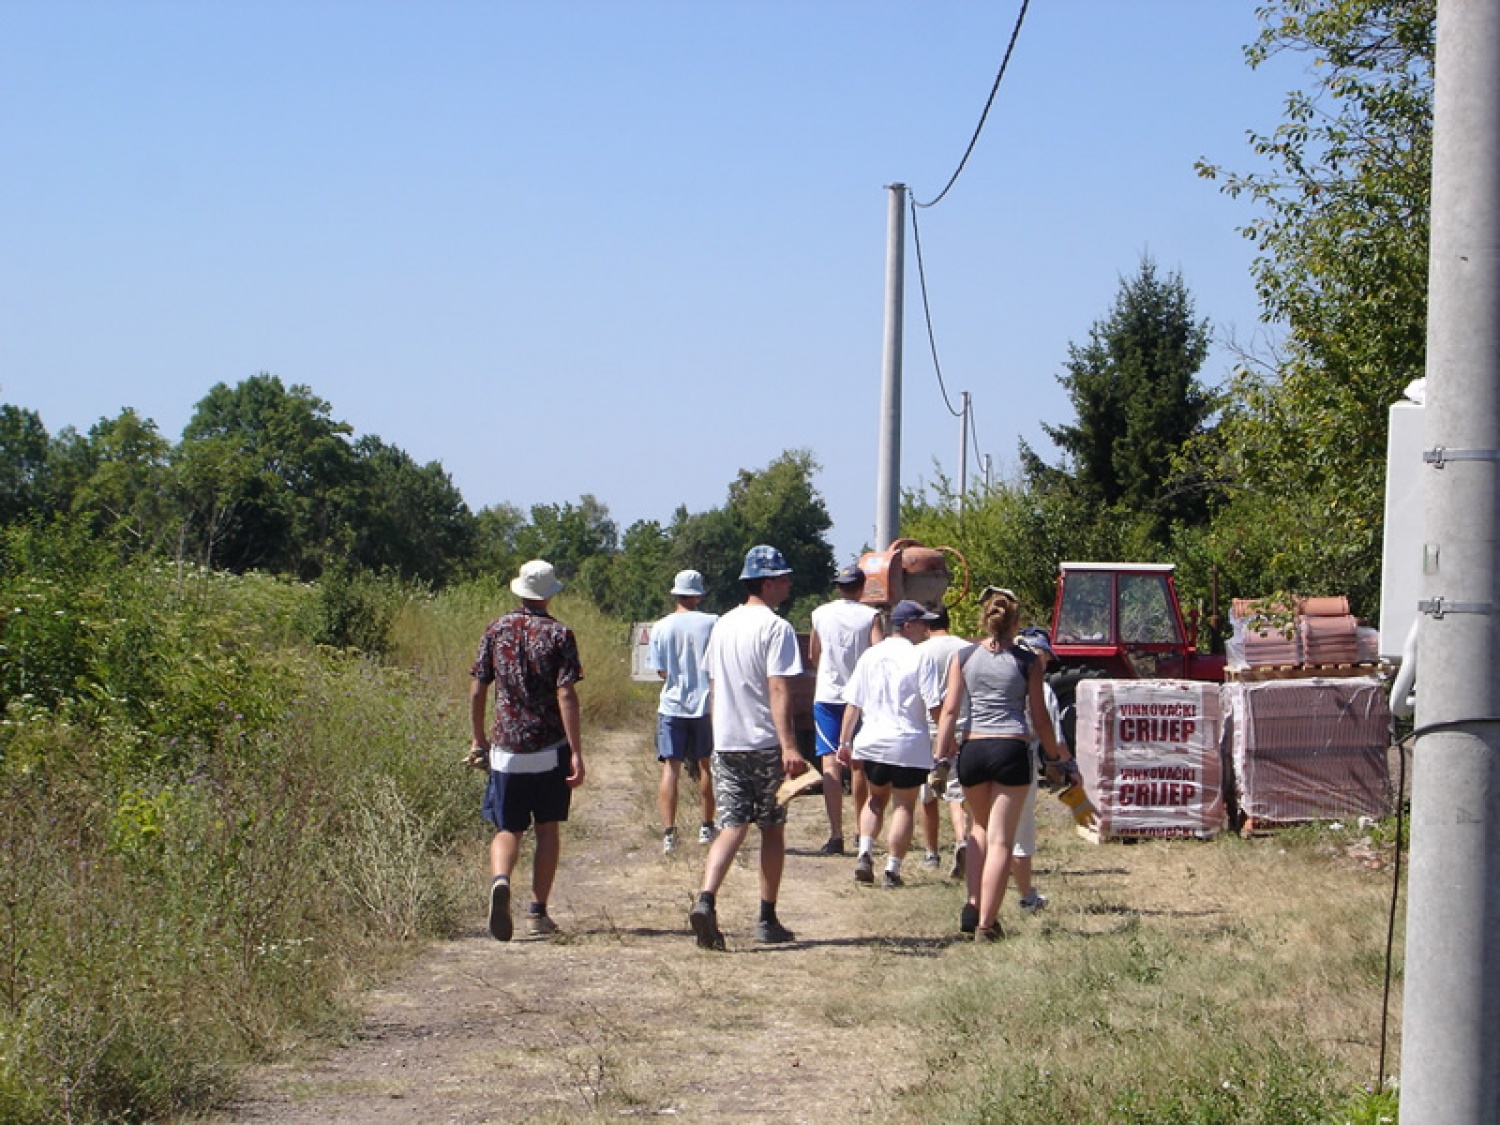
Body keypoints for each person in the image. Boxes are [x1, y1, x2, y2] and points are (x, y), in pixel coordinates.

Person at [688, 545, 807, 949]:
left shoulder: (722, 625)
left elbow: (714, 684)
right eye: (785, 578)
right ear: (769, 581)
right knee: (771, 828)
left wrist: (717, 732)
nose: (790, 584)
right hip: (764, 742)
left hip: (727, 742)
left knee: (731, 825)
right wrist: (789, 745)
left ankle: (706, 899)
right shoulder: (777, 629)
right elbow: (778, 688)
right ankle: (766, 916)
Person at [934, 587, 1069, 941]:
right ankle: (987, 924)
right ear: (1016, 623)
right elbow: (1040, 719)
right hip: (1010, 749)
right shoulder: (1027, 662)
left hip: (973, 749)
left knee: (977, 830)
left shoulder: (963, 657)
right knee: (1001, 841)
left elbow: (949, 710)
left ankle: (974, 901)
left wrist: (939, 757)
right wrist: (1055, 757)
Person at [470, 559, 586, 943]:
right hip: (548, 747)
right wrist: (576, 751)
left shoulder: (496, 629)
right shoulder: (559, 635)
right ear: (550, 595)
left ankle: (501, 880)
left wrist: (477, 739)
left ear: (519, 591)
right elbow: (565, 693)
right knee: (547, 828)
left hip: (506, 748)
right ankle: (538, 911)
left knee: (507, 828)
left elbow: (478, 687)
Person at [836, 600, 945, 888]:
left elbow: (853, 704)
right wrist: (947, 736)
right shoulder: (920, 657)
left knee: (875, 799)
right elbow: (934, 704)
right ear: (907, 625)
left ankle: (864, 852)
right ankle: (892, 870)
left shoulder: (871, 655)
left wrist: (844, 741)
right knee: (904, 806)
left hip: (872, 740)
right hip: (908, 742)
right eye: (923, 623)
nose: (927, 628)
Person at [807, 563, 884, 855]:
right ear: (862, 587)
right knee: (858, 763)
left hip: (827, 695)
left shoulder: (820, 614)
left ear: (838, 586)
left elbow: (814, 653)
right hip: (861, 697)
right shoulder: (870, 616)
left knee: (830, 764)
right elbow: (877, 654)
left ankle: (835, 833)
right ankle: (859, 830)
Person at [646, 570, 719, 854]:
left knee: (671, 767)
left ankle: (669, 832)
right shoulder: (713, 622)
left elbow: (661, 670)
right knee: (706, 765)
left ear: (676, 594)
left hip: (673, 704)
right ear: (698, 594)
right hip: (706, 704)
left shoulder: (661, 627)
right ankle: (706, 826)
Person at [915, 604, 974, 878]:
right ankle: (962, 839)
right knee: (957, 792)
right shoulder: (966, 649)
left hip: (926, 728)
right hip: (962, 725)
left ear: (926, 626)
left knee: (928, 793)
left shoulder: (918, 651)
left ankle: (931, 852)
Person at [1011, 626, 1062, 914]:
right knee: (1021, 831)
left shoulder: (990, 674)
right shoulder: (1041, 688)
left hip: (978, 754)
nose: (1049, 663)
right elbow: (1051, 732)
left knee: (986, 830)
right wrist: (1059, 763)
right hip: (1020, 757)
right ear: (1036, 654)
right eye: (1046, 656)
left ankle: (978, 902)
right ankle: (1026, 895)